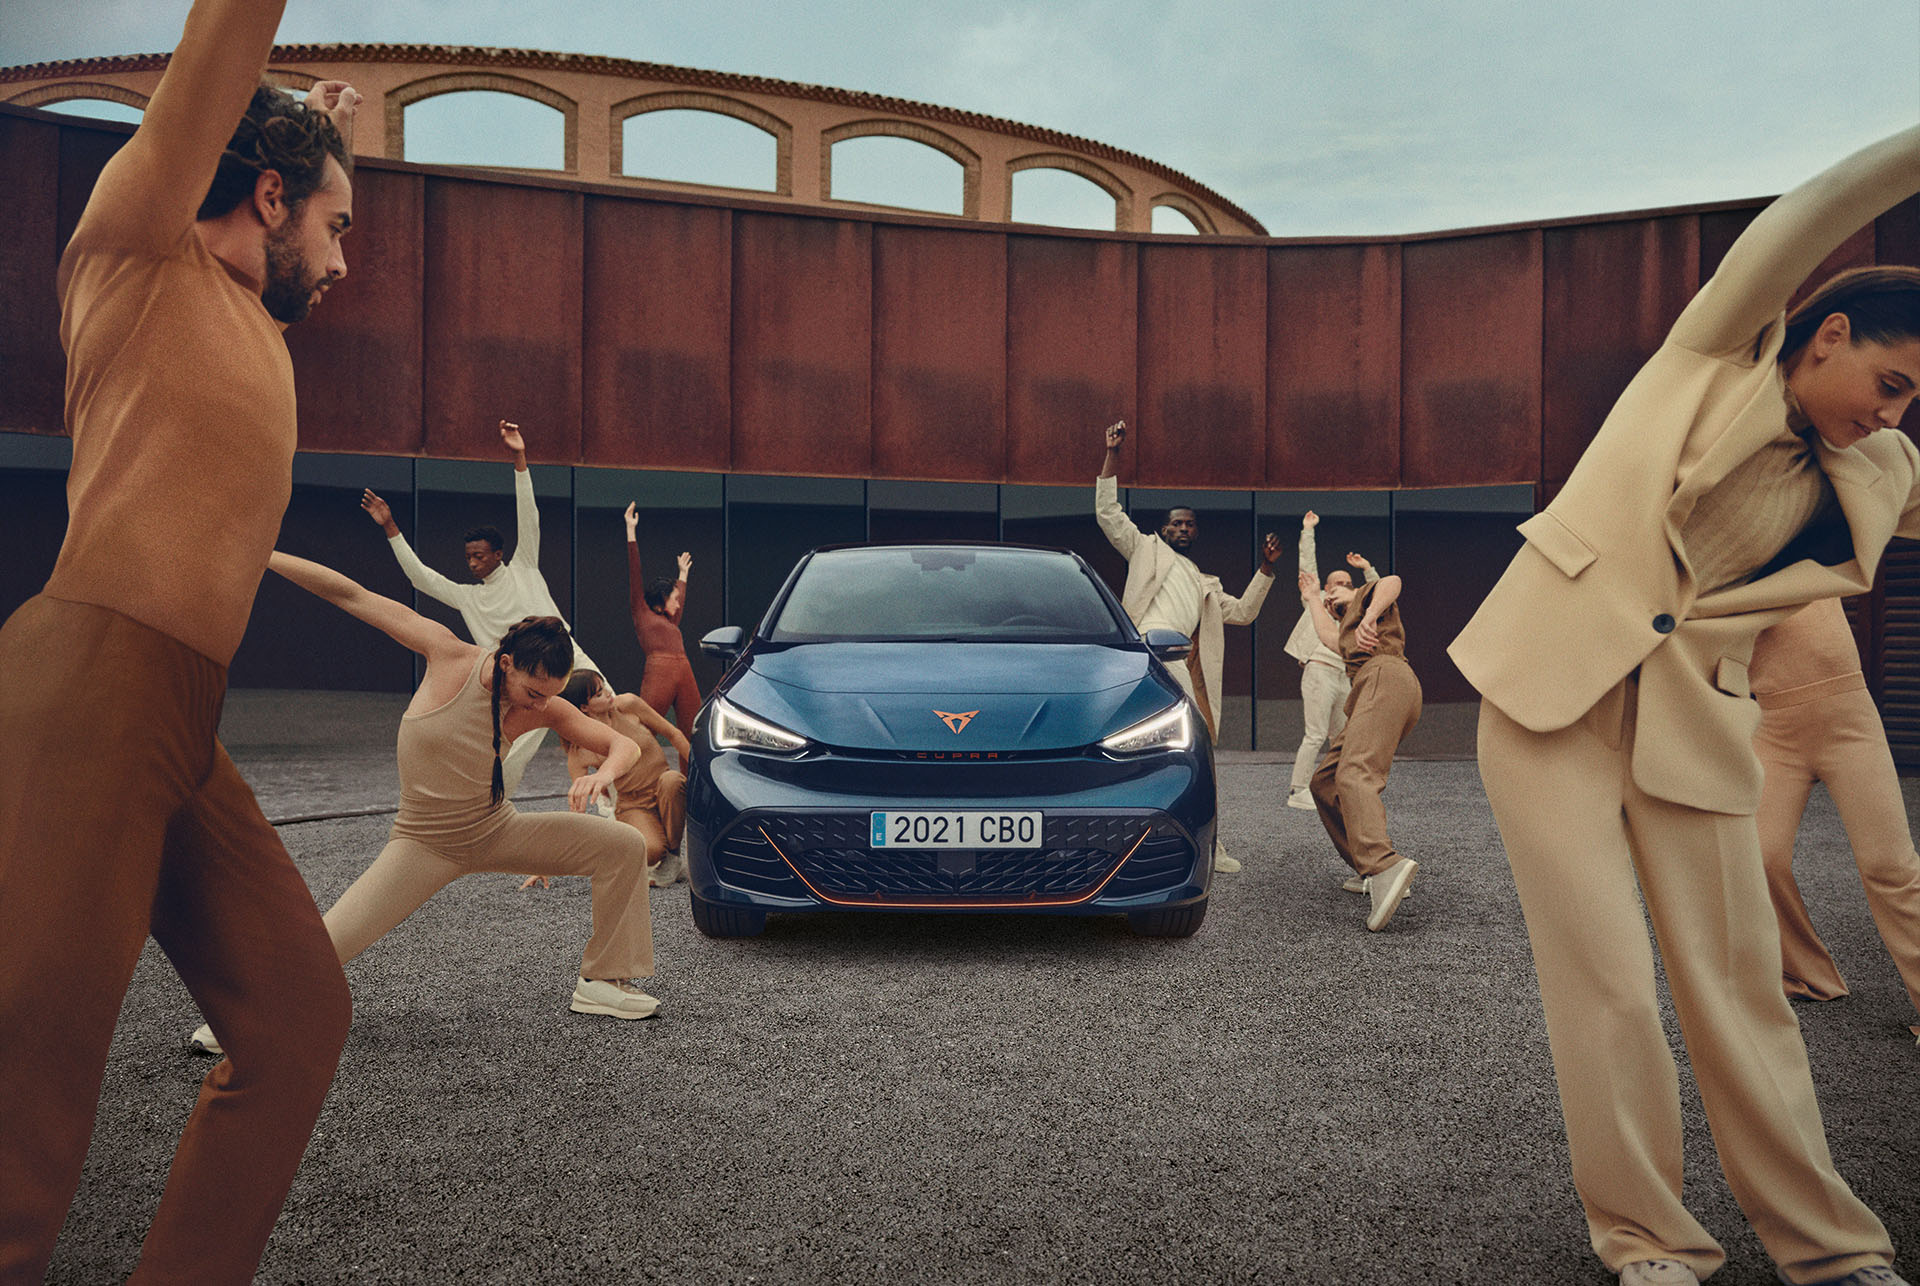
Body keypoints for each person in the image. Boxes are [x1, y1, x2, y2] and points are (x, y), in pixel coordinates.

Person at [1450, 121, 1920, 1286]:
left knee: (1739, 991)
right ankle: (1650, 1242)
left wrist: (1887, 436)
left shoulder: (1883, 471)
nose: (1894, 413)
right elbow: (1805, 215)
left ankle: (1833, 1247)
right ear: (1827, 335)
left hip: (1703, 726)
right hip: (1546, 703)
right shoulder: (1706, 358)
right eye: (1890, 381)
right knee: (1605, 987)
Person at [0, 0, 361, 1270]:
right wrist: (278, 99)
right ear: (266, 197)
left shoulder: (247, 319)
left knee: (299, 1015)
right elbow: (223, 46)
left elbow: (290, 159)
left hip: (182, 723)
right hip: (88, 687)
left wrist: (328, 132)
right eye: (334, 225)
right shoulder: (135, 239)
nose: (344, 257)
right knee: (23, 1129)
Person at [190, 552, 659, 1060]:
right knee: (333, 939)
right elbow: (351, 594)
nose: (541, 706)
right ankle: (242, 1016)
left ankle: (602, 981)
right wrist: (262, 552)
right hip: (424, 841)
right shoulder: (447, 654)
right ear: (505, 663)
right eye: (532, 691)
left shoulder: (543, 706)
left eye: (550, 695)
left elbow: (624, 747)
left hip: (496, 830)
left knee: (621, 844)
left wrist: (605, 776)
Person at [361, 419, 603, 794]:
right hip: (523, 679)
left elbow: (530, 515)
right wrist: (391, 527)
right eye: (468, 558)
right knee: (511, 754)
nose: (472, 563)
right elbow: (421, 578)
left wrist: (520, 458)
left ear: (498, 554)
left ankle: (627, 807)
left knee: (614, 719)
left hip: (572, 658)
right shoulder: (468, 597)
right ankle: (486, 815)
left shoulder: (524, 565)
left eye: (478, 556)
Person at [1095, 419, 1280, 873]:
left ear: (1195, 532)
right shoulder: (1145, 550)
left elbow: (1243, 613)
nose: (1183, 528)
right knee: (1153, 748)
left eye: (1189, 524)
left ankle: (1207, 845)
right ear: (1163, 528)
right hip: (1149, 657)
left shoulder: (1204, 581)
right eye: (1176, 522)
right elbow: (1108, 514)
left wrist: (1267, 569)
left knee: (1194, 751)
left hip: (1181, 662)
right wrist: (1113, 455)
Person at [1750, 598, 1920, 1040]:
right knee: (1758, 857)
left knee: (1890, 867)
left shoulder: (1805, 533)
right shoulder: (1713, 559)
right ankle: (1809, 976)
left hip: (1847, 718)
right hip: (1772, 724)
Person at [1297, 568, 1422, 929]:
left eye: (1338, 589)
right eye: (1329, 597)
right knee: (1326, 781)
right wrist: (1310, 598)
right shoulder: (1346, 634)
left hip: (1386, 677)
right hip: (1374, 688)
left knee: (1355, 773)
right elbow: (1324, 634)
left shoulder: (1368, 598)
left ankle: (1383, 865)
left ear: (1350, 589)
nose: (1332, 596)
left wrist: (1365, 611)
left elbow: (1394, 581)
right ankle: (1370, 867)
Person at [549, 670, 691, 887]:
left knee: (672, 780)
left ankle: (672, 858)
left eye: (604, 686)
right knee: (650, 851)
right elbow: (577, 810)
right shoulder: (579, 751)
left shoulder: (628, 705)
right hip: (633, 804)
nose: (607, 693)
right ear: (584, 708)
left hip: (663, 785)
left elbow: (673, 734)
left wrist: (705, 772)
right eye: (598, 694)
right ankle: (650, 857)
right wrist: (546, 866)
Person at [1283, 510, 1379, 812]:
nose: (1344, 585)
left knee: (1341, 736)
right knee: (1314, 733)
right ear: (1325, 587)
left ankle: (1339, 787)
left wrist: (1367, 568)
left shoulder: (1355, 609)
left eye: (1348, 582)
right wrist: (1308, 530)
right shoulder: (1317, 601)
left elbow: (1379, 594)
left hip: (1343, 676)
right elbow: (1307, 566)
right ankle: (1298, 790)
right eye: (1337, 581)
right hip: (1319, 671)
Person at [626, 502, 701, 740]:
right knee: (643, 731)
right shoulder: (642, 612)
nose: (678, 604)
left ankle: (690, 777)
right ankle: (635, 775)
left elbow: (680, 604)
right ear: (662, 598)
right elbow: (634, 572)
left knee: (693, 730)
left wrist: (683, 574)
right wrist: (631, 531)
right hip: (660, 672)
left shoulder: (670, 622)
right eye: (674, 598)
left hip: (684, 670)